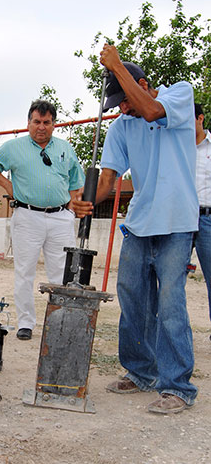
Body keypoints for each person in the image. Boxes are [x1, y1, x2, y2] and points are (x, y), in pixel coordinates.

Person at [73, 44, 198, 415]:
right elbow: (109, 178)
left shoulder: (178, 94)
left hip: (177, 221)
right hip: (140, 223)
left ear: (142, 83)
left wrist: (115, 64)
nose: (123, 109)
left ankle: (177, 386)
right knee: (132, 297)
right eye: (117, 104)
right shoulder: (122, 128)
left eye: (124, 99)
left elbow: (150, 109)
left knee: (171, 302)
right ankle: (140, 372)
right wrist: (86, 199)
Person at [0, 99, 85, 340]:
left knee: (62, 273)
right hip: (27, 216)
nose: (41, 127)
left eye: (47, 122)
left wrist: (70, 209)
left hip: (60, 217)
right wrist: (7, 184)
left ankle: (61, 322)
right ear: (28, 123)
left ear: (54, 124)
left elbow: (75, 181)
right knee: (24, 271)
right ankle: (26, 323)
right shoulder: (13, 147)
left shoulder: (64, 147)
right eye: (36, 122)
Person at [194, 103, 211, 326]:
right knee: (171, 279)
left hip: (208, 219)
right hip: (181, 219)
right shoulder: (178, 147)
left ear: (201, 118)